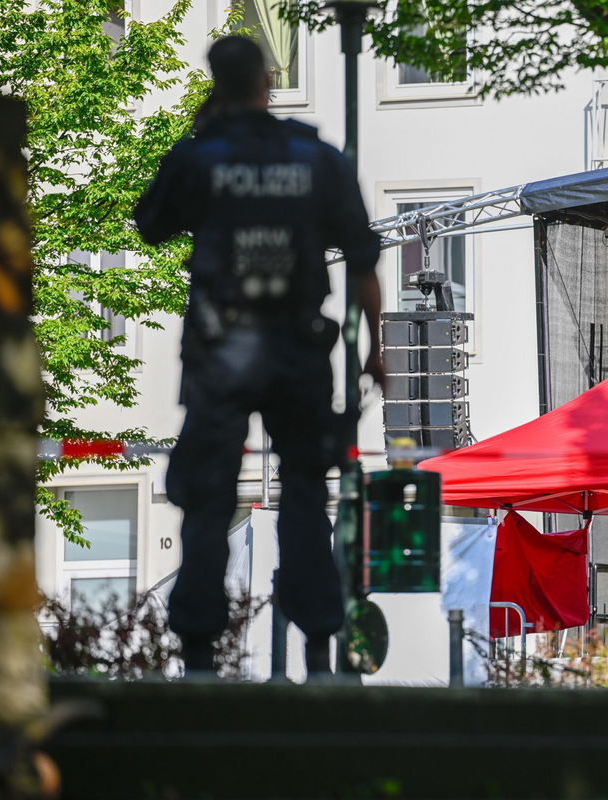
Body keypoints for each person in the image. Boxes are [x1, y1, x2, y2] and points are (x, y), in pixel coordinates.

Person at [135, 36, 385, 676]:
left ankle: (197, 655)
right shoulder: (316, 158)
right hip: (298, 352)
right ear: (267, 83)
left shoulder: (200, 157)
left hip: (220, 353)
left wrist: (200, 136)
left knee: (208, 496)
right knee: (304, 495)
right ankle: (320, 650)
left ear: (216, 83)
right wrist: (373, 351)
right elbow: (361, 258)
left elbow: (151, 224)